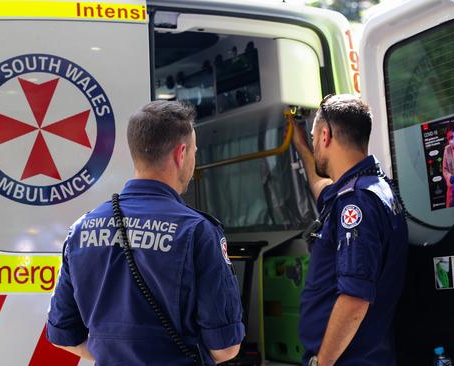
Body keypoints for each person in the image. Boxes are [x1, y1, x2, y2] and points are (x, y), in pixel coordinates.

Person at [46, 100, 244, 365]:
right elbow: (226, 346)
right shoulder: (197, 231)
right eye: (195, 151)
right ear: (181, 153)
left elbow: (63, 335)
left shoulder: (81, 229)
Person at [289, 94, 408, 366]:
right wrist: (301, 145)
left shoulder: (356, 204)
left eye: (314, 136)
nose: (315, 143)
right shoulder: (372, 187)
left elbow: (354, 299)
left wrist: (323, 362)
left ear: (326, 135)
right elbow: (319, 185)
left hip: (349, 360)